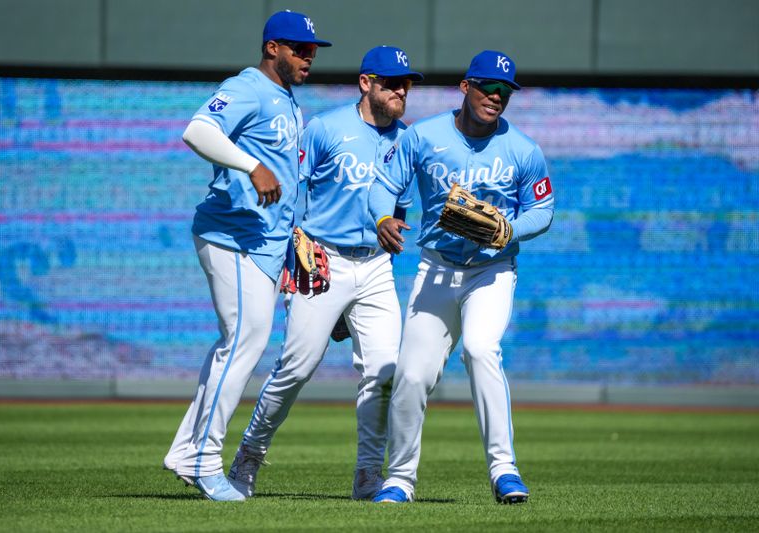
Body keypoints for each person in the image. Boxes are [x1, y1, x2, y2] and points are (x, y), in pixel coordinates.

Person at [226, 46, 423, 500]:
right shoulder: (326, 128)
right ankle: (247, 458)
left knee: (384, 370)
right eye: (391, 82)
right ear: (366, 83)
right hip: (322, 259)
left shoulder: (406, 140)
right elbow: (292, 190)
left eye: (406, 83)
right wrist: (294, 250)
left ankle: (369, 475)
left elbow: (397, 211)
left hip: (375, 266)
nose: (401, 90)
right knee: (296, 368)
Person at [367, 50, 555, 504]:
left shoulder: (523, 149)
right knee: (412, 374)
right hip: (437, 267)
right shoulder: (424, 136)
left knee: (480, 348)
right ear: (465, 86)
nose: (496, 97)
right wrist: (381, 219)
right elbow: (383, 185)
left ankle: (504, 470)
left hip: (491, 270)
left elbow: (542, 209)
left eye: (505, 91)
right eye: (488, 87)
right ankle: (399, 480)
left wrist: (511, 228)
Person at [162, 10, 331, 502]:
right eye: (299, 48)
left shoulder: (286, 101)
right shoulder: (249, 87)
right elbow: (198, 131)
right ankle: (201, 458)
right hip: (231, 235)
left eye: (313, 49)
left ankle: (186, 450)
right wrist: (251, 163)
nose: (309, 56)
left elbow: (285, 178)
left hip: (263, 243)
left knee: (242, 343)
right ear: (272, 47)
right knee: (243, 341)